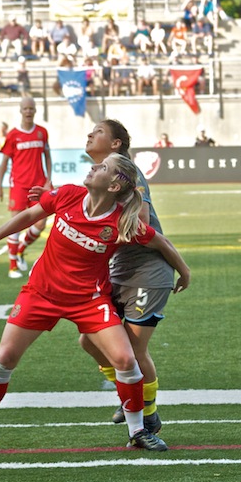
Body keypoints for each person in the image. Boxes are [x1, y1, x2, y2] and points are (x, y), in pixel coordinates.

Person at [0, 152, 190, 458]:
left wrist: (184, 271)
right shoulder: (68, 194)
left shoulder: (122, 221)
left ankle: (138, 432)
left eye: (103, 167)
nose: (94, 167)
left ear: (114, 186)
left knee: (125, 359)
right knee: (5, 358)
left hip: (89, 300)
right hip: (41, 293)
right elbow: (29, 216)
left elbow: (160, 241)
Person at [76, 120, 182, 433]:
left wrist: (94, 240)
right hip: (118, 271)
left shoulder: (127, 173)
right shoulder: (99, 176)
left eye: (99, 131)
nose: (90, 134)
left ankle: (148, 413)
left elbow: (142, 224)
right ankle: (129, 395)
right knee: (89, 341)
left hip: (147, 272)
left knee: (134, 350)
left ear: (116, 144)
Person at [0, 97, 52, 278]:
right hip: (19, 185)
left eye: (31, 108)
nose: (28, 111)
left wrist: (48, 179)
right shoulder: (12, 135)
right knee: (16, 224)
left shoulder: (42, 132)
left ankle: (21, 249)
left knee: (41, 223)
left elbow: (47, 156)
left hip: (38, 185)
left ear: (35, 110)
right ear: (20, 110)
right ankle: (12, 266)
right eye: (25, 108)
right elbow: (4, 162)